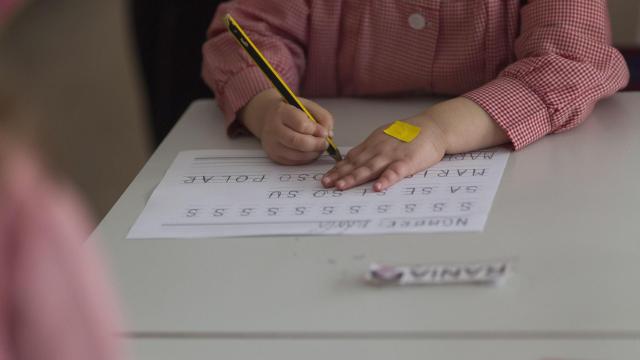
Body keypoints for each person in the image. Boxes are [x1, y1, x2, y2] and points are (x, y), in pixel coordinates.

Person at [202, 0, 629, 192]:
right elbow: (247, 34)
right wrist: (266, 110)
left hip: (523, 187)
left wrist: (440, 128)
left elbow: (573, 61)